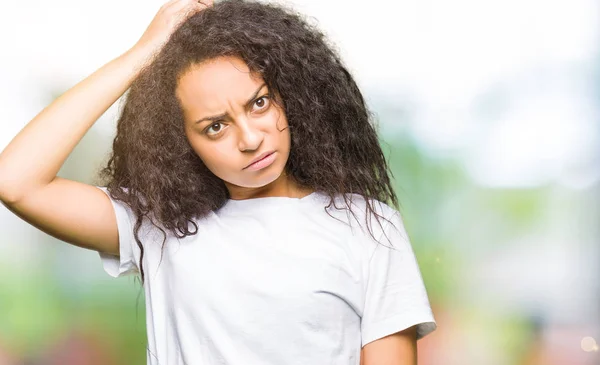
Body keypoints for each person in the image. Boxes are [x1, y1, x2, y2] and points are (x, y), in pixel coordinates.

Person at [0, 0, 437, 364]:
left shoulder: (367, 226)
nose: (250, 139)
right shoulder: (158, 225)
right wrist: (145, 52)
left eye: (260, 103)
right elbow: (16, 181)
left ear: (291, 94)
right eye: (215, 126)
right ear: (182, 139)